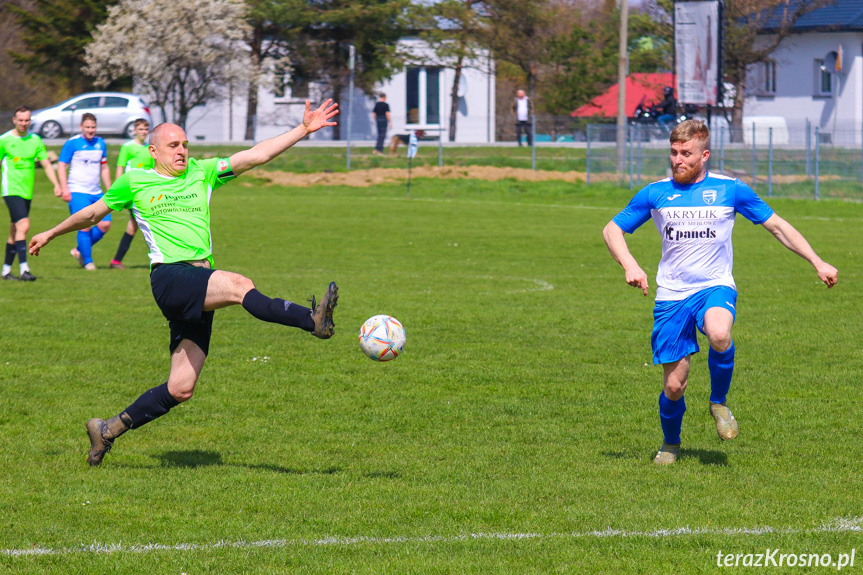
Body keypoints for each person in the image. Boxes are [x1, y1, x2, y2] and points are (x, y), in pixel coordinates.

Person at [29, 99, 341, 467]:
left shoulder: (201, 172)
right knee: (240, 285)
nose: (182, 151)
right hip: (170, 277)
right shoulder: (135, 180)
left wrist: (303, 130)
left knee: (181, 388)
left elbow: (255, 155)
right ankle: (312, 321)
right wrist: (52, 231)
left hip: (199, 280)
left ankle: (107, 428)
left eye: (185, 144)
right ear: (154, 150)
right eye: (174, 145)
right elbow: (92, 212)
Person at [602, 120, 838, 466]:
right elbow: (612, 229)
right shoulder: (655, 193)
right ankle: (671, 443)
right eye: (673, 152)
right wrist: (630, 265)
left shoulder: (731, 190)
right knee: (673, 388)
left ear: (705, 155)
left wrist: (817, 261)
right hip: (672, 294)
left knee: (718, 332)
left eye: (686, 153)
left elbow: (778, 226)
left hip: (714, 285)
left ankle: (719, 402)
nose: (677, 160)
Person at [0, 106, 62, 281]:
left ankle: (5, 271)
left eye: (27, 120)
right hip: (10, 190)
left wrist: (56, 184)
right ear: (14, 120)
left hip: (27, 191)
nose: (24, 123)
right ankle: (24, 269)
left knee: (15, 230)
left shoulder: (35, 140)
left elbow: (47, 164)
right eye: (20, 120)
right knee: (24, 226)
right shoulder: (4, 140)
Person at [57, 113, 112, 270]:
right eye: (87, 127)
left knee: (105, 225)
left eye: (93, 127)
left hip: (96, 192)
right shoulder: (72, 143)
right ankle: (88, 262)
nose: (90, 130)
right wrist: (64, 188)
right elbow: (61, 165)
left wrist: (109, 190)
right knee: (85, 225)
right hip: (77, 190)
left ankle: (79, 250)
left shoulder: (100, 143)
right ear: (81, 127)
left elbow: (104, 167)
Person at [110, 118, 153, 269]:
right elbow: (120, 167)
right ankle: (162, 260)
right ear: (134, 130)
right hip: (132, 191)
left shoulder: (150, 148)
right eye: (140, 129)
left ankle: (116, 261)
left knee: (133, 226)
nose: (143, 132)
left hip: (146, 192)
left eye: (146, 129)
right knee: (150, 223)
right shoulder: (127, 147)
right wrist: (118, 189)